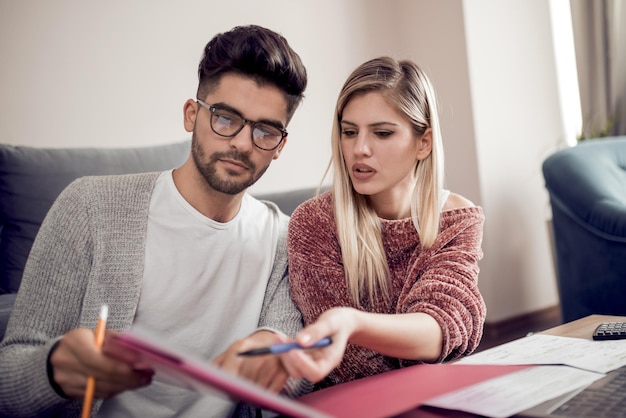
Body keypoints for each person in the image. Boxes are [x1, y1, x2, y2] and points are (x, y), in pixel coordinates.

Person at [0, 25, 308, 417]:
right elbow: (7, 379)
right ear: (191, 115)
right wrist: (50, 369)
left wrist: (277, 352)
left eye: (264, 130)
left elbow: (292, 370)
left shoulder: (285, 239)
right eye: (226, 118)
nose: (243, 143)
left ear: (280, 145)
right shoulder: (90, 206)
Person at [282, 57, 486, 389]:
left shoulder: (454, 220)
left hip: (439, 395)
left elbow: (444, 327)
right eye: (349, 132)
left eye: (382, 133)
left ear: (424, 143)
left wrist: (352, 322)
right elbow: (352, 364)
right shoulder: (314, 223)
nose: (359, 149)